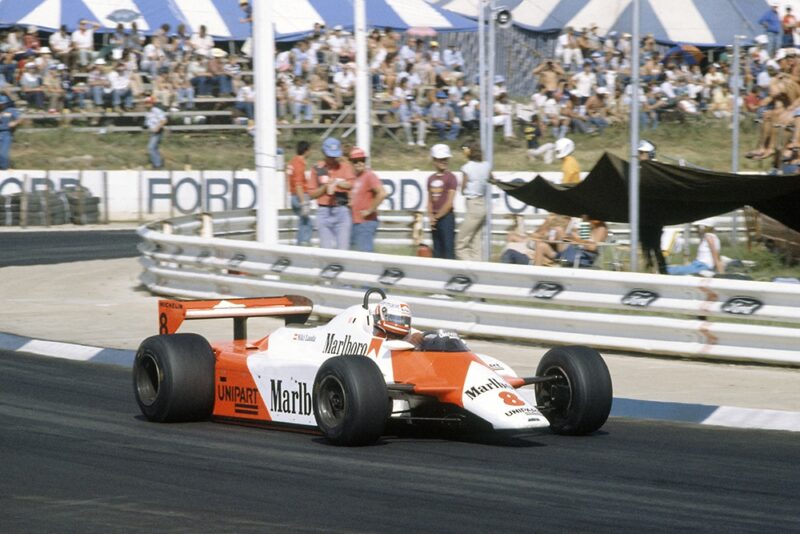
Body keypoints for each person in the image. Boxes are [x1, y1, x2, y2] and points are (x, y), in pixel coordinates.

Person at [308, 137, 355, 249]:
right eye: (330, 156)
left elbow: (351, 184)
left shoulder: (345, 166)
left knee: (343, 249)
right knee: (326, 249)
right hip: (324, 211)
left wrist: (338, 183)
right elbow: (311, 194)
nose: (332, 159)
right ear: (324, 153)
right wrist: (324, 187)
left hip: (341, 209)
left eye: (335, 156)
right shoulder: (317, 168)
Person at [636, 140, 669, 274]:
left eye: (642, 153)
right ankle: (650, 270)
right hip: (643, 214)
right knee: (645, 246)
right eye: (639, 153)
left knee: (655, 246)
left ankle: (662, 270)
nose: (639, 155)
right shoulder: (640, 169)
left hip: (655, 215)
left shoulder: (657, 168)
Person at [456, 142, 492, 261]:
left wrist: (464, 189)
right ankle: (478, 267)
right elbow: (492, 178)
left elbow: (463, 188)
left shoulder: (467, 167)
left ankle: (469, 266)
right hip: (482, 204)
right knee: (475, 241)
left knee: (460, 243)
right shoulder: (486, 165)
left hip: (472, 204)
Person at [348, 147, 387, 252]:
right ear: (351, 163)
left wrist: (370, 210)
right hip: (356, 222)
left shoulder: (369, 176)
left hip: (365, 222)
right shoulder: (357, 178)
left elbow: (382, 193)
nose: (359, 163)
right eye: (355, 161)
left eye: (362, 160)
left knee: (364, 255)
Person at [427, 144, 457, 259]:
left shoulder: (451, 177)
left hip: (446, 218)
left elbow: (449, 203)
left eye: (445, 159)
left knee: (448, 249)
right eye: (440, 159)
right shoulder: (431, 178)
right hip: (435, 219)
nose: (443, 161)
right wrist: (431, 216)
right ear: (434, 160)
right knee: (437, 250)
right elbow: (429, 200)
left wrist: (436, 218)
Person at [287, 141, 313, 246]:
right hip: (299, 196)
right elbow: (298, 184)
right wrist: (303, 202)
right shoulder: (299, 164)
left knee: (303, 222)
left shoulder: (292, 162)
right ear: (306, 151)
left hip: (294, 195)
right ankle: (303, 246)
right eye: (310, 150)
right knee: (306, 224)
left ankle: (301, 244)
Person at [144, 96, 167, 169]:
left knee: (150, 147)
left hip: (158, 131)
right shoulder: (147, 112)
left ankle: (157, 164)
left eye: (149, 103)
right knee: (154, 148)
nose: (147, 105)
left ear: (152, 103)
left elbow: (164, 120)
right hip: (152, 132)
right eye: (146, 103)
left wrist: (157, 128)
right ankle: (157, 163)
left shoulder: (157, 111)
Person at [0, 94, 21, 170]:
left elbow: (19, 119)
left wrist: (14, 123)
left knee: (3, 153)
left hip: (6, 134)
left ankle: (4, 168)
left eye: (2, 104)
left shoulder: (11, 110)